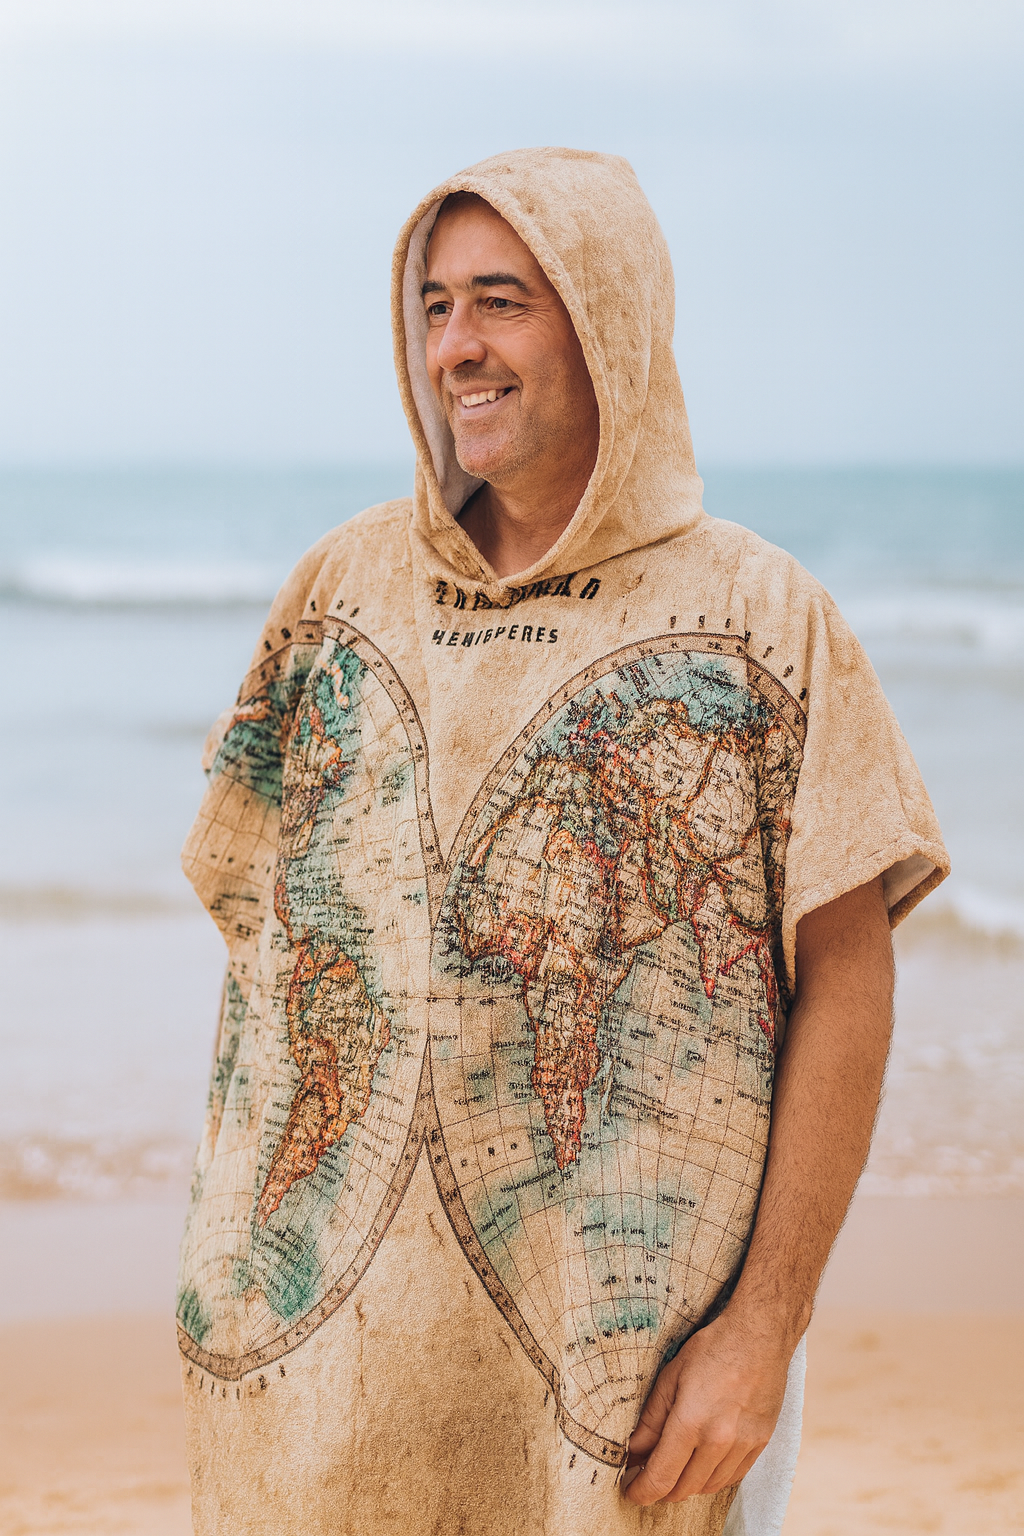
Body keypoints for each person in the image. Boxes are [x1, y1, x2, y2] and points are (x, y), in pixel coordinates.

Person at [176, 148, 948, 1536]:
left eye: (500, 302)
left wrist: (761, 1332)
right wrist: (232, 1278)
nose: (456, 347)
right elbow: (265, 945)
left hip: (633, 1380)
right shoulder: (342, 589)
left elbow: (849, 983)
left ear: (607, 321)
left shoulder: (767, 619)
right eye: (431, 307)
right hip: (339, 1367)